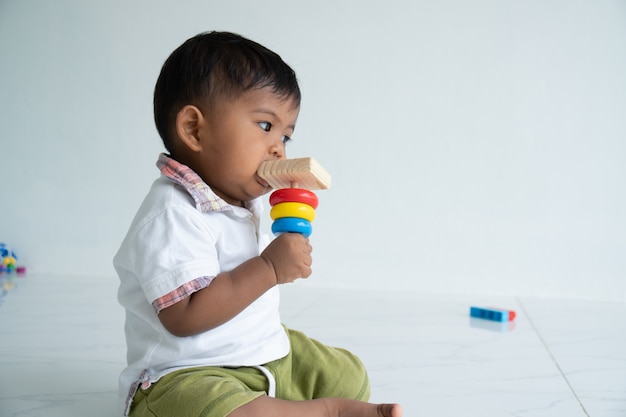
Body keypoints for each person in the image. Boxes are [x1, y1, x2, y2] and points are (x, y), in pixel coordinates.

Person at [113, 31, 402, 417]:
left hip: (258, 355)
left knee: (347, 374)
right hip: (186, 374)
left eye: (286, 135)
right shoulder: (172, 213)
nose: (279, 148)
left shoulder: (240, 202)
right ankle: (325, 412)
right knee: (213, 407)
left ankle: (287, 400)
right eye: (266, 126)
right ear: (194, 130)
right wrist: (268, 267)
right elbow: (184, 316)